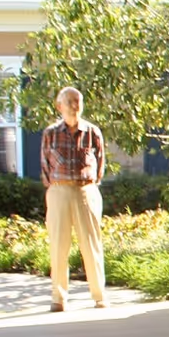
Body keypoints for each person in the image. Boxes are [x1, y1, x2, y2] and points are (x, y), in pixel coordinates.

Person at [40, 86, 108, 312]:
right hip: (59, 190)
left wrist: (88, 186)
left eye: (77, 101)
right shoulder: (50, 133)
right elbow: (45, 166)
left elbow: (100, 165)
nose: (74, 106)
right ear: (59, 106)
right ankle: (58, 298)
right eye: (69, 102)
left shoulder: (92, 132)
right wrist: (56, 187)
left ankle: (99, 296)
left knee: (91, 245)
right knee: (59, 245)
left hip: (85, 190)